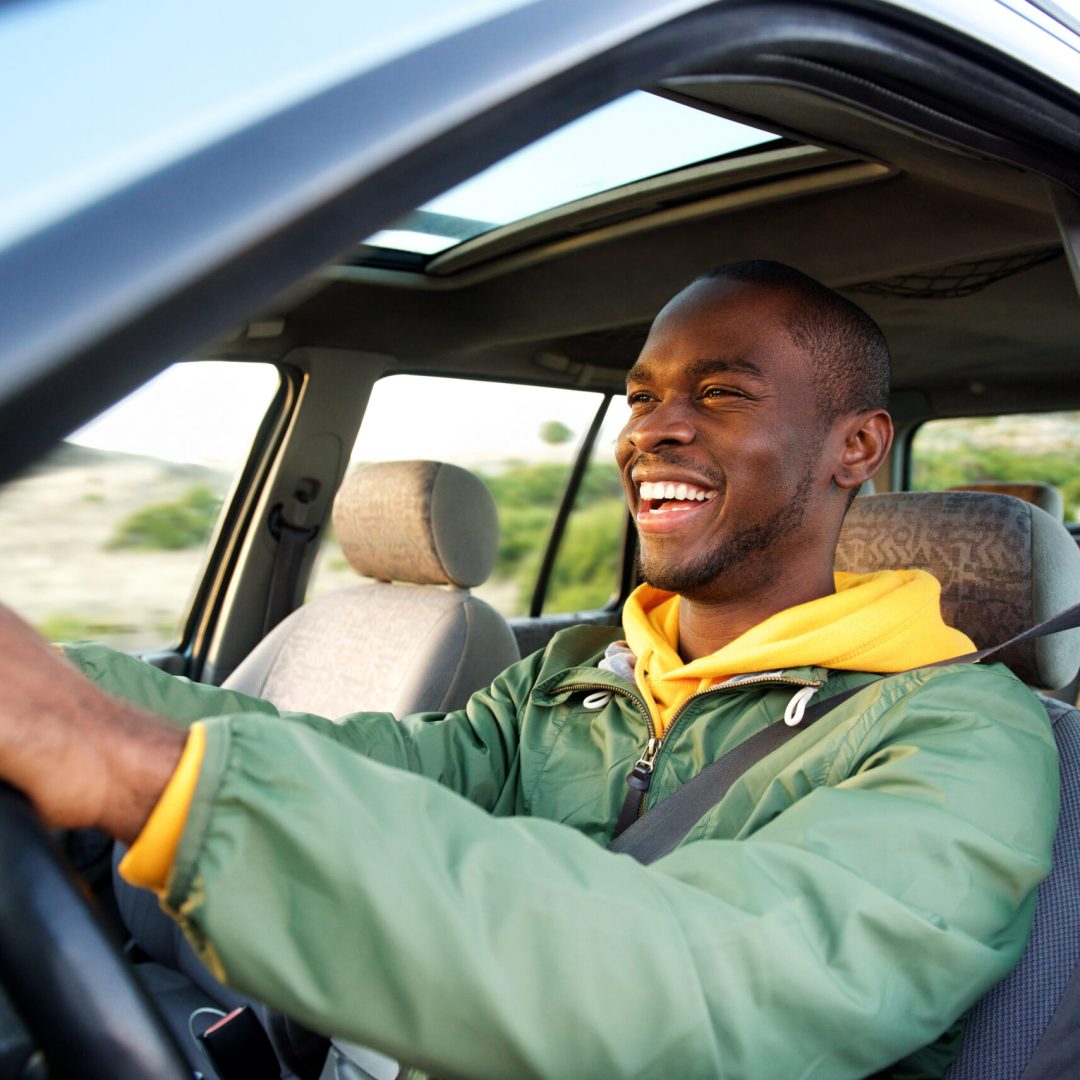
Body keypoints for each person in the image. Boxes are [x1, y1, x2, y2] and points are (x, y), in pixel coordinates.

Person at [0, 261, 1058, 1079]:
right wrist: (70, 686)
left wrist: (142, 774)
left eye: (722, 393)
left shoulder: (963, 742)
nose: (656, 430)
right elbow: (376, 770)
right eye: (642, 399)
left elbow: (692, 985)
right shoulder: (575, 675)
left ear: (858, 447)